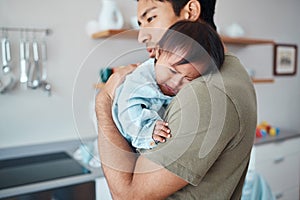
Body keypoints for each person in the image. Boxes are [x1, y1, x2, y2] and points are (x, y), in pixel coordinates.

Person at [95, 0, 257, 199]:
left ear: (191, 11)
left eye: (151, 18)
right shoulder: (227, 72)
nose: (142, 36)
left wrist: (103, 102)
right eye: (140, 24)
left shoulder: (207, 93)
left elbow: (127, 195)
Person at [112, 20, 224, 150]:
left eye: (188, 79)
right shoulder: (140, 80)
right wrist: (148, 130)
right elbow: (128, 111)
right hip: (125, 132)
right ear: (158, 53)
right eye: (172, 71)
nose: (176, 83)